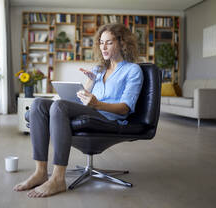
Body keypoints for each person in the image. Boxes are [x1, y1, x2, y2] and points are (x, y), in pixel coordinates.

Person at [13, 23, 144, 198]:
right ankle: (40, 172)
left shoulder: (133, 70)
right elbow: (85, 100)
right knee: (38, 104)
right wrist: (89, 83)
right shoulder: (99, 69)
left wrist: (97, 104)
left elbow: (125, 108)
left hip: (109, 117)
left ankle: (58, 178)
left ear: (122, 43)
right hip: (91, 110)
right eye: (101, 42)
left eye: (109, 43)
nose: (103, 47)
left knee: (59, 106)